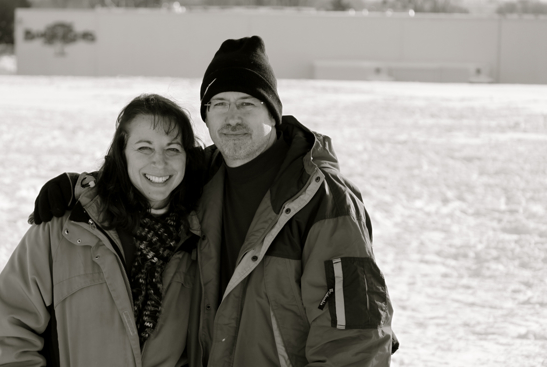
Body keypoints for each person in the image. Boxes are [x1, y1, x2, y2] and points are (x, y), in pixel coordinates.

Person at [31, 36, 398, 366]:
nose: (232, 117)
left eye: (247, 103)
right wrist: (82, 186)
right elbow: (146, 172)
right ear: (206, 115)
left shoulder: (325, 203)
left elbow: (355, 345)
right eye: (219, 103)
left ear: (273, 113)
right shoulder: (201, 179)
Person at [0, 94, 204, 367]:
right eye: (144, 148)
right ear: (121, 154)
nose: (160, 161)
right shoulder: (64, 228)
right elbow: (8, 337)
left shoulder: (198, 240)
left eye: (173, 149)